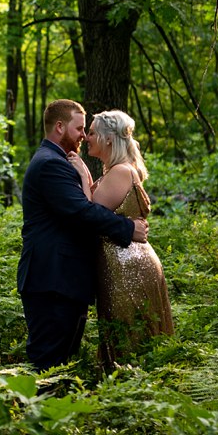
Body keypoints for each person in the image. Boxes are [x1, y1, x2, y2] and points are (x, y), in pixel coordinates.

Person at [17, 99, 149, 371]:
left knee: (61, 364)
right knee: (48, 364)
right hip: (52, 280)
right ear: (59, 126)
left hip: (64, 281)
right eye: (79, 129)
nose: (83, 136)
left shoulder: (57, 161)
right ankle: (38, 412)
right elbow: (81, 213)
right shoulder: (50, 164)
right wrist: (128, 229)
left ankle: (53, 411)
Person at [74, 109, 174, 370]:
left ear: (109, 139)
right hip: (121, 262)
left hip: (127, 266)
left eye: (93, 132)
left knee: (129, 334)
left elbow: (90, 212)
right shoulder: (116, 170)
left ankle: (134, 392)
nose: (86, 137)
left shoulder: (119, 171)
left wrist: (84, 177)